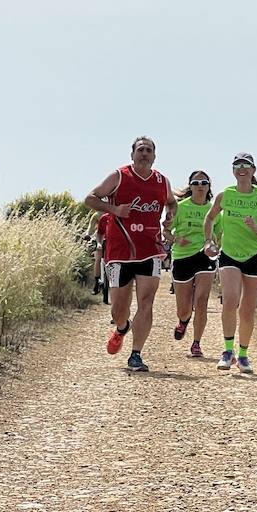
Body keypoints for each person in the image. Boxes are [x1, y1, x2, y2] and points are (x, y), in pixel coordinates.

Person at [84, 137, 174, 372]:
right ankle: (122, 328)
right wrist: (114, 209)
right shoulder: (119, 176)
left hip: (150, 250)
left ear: (155, 156)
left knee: (147, 302)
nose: (144, 153)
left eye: (149, 150)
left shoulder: (161, 181)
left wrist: (169, 220)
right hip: (120, 252)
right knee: (119, 308)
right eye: (140, 150)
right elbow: (90, 198)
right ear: (132, 154)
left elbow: (172, 203)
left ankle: (136, 354)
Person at [202, 153, 257, 374]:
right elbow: (209, 218)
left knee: (247, 309)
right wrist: (208, 242)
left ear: (253, 170)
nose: (241, 168)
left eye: (246, 165)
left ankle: (243, 355)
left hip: (255, 254)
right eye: (237, 165)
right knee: (230, 300)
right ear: (233, 170)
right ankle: (227, 351)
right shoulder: (225, 195)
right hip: (230, 254)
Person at [170, 170, 217, 358]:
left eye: (204, 182)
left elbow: (220, 234)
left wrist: (215, 246)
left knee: (202, 301)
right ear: (190, 186)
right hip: (182, 257)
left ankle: (196, 343)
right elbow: (165, 232)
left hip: (204, 256)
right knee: (184, 307)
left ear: (208, 187)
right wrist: (175, 238)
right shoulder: (180, 207)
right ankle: (183, 320)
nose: (200, 186)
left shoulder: (214, 210)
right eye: (196, 183)